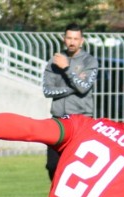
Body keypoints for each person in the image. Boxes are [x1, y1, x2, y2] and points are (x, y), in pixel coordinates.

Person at [42, 22, 98, 181]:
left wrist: (67, 69)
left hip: (81, 120)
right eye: (69, 38)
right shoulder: (55, 61)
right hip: (58, 119)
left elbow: (85, 86)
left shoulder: (89, 61)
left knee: (77, 165)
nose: (72, 42)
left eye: (76, 38)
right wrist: (73, 87)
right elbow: (47, 91)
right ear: (63, 39)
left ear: (82, 40)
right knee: (53, 165)